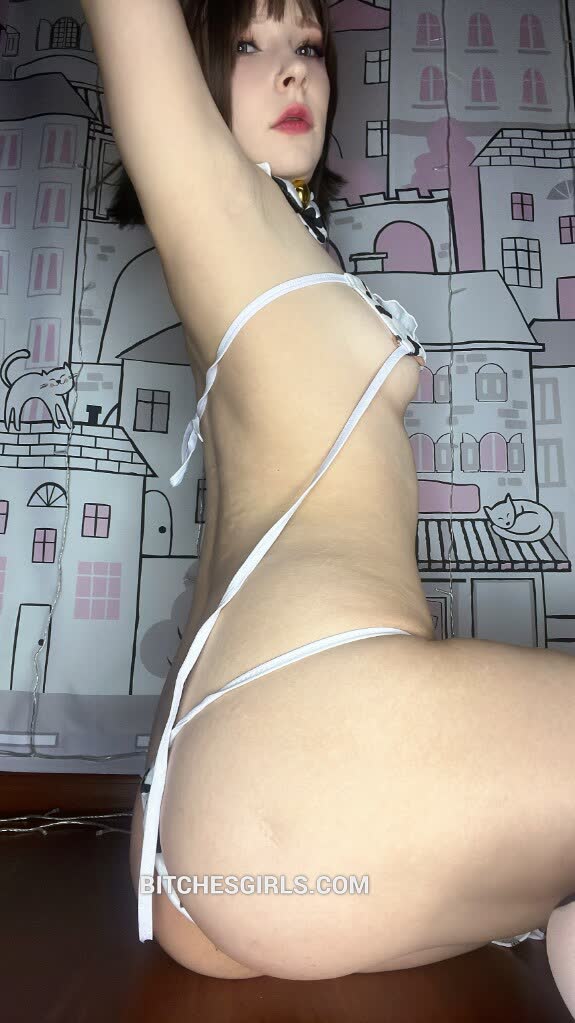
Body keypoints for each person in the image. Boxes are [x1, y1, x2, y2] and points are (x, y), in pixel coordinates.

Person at [83, 0, 575, 1003]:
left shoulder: (266, 254)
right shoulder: (215, 206)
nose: (292, 71)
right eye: (248, 46)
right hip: (297, 765)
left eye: (305, 46)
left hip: (224, 837)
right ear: (194, 79)